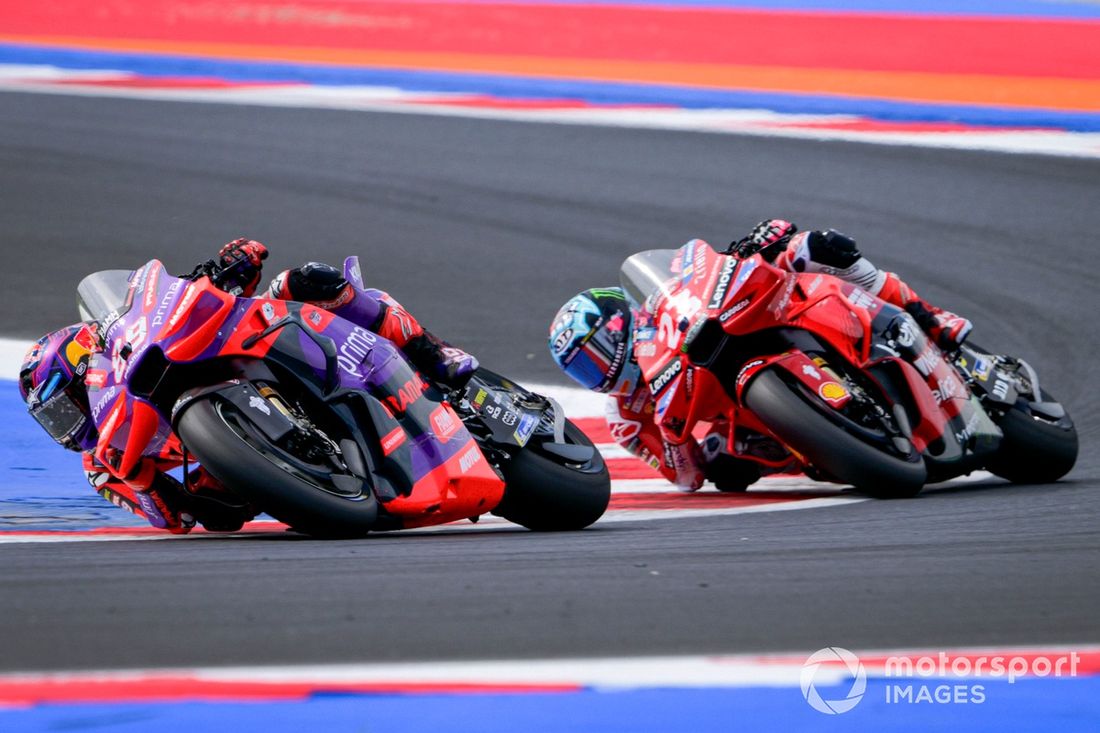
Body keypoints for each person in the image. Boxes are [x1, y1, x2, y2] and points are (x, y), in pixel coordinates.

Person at [19, 239, 478, 533]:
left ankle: (428, 350)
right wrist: (138, 478)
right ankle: (315, 469)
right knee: (215, 514)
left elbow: (179, 300)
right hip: (227, 467)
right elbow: (170, 519)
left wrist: (231, 265)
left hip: (242, 347)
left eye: (64, 406)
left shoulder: (128, 344)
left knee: (302, 280)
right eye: (53, 420)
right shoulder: (102, 463)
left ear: (84, 363)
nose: (68, 423)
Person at [548, 220, 972, 492]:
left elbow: (712, 271)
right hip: (746, 410)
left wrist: (761, 243)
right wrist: (680, 442)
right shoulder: (626, 419)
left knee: (818, 249)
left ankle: (930, 317)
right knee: (726, 462)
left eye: (598, 354)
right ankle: (830, 438)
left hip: (759, 319)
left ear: (621, 321)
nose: (601, 372)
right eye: (586, 370)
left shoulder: (668, 309)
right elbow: (684, 478)